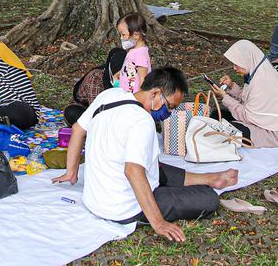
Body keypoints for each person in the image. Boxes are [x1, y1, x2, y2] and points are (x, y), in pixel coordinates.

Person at [53, 67, 237, 242]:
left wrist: (71, 172)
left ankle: (210, 177)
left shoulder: (109, 94)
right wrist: (158, 223)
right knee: (208, 198)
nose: (169, 113)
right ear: (155, 93)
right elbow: (133, 171)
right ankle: (207, 185)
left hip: (93, 199)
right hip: (122, 208)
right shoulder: (142, 121)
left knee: (155, 167)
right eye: (170, 106)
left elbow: (77, 129)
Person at [212, 40, 278, 148]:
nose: (234, 68)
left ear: (246, 60)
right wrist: (231, 86)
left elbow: (247, 116)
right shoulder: (257, 72)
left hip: (270, 132)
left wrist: (225, 97)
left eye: (237, 64)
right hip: (259, 121)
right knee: (217, 115)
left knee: (228, 129)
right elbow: (249, 99)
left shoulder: (262, 81)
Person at [63, 47, 128, 126]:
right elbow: (95, 108)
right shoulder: (95, 78)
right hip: (88, 108)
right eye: (118, 76)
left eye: (123, 76)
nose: (121, 80)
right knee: (71, 112)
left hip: (112, 110)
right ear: (112, 71)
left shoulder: (129, 78)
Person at [114, 13, 151, 93]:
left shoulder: (141, 54)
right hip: (125, 94)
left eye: (123, 34)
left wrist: (138, 100)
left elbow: (143, 79)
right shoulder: (133, 50)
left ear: (136, 35)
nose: (121, 38)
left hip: (133, 98)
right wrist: (120, 73)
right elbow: (130, 68)